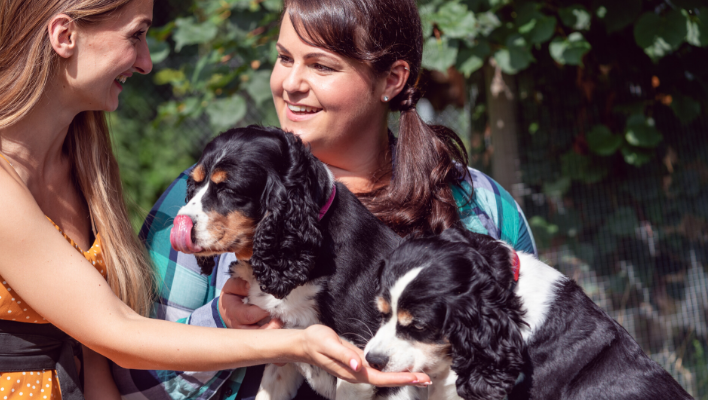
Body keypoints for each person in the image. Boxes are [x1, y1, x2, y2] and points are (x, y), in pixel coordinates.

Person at [0, 1, 429, 400]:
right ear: (64, 35)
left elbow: (90, 352)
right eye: (137, 35)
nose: (145, 61)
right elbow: (116, 333)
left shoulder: (82, 169)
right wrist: (295, 343)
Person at [111, 0, 538, 398]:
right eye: (284, 58)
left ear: (392, 79)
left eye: (321, 65)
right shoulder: (204, 200)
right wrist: (222, 329)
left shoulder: (478, 203)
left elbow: (532, 365)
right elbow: (133, 384)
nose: (291, 84)